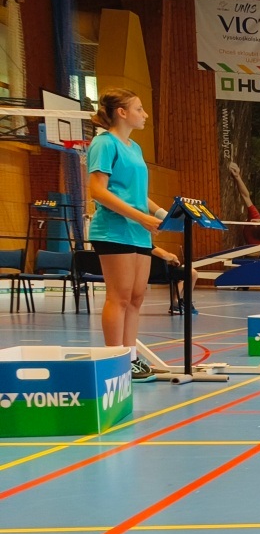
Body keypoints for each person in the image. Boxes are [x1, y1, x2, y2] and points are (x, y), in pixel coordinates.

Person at [84, 88, 180, 382]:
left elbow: (137, 194)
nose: (145, 114)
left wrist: (163, 213)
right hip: (114, 230)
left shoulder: (135, 148)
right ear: (122, 112)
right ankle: (114, 359)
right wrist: (141, 217)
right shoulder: (104, 143)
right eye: (139, 109)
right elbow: (97, 191)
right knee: (119, 297)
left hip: (138, 232)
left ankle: (131, 357)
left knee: (136, 297)